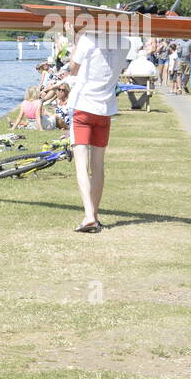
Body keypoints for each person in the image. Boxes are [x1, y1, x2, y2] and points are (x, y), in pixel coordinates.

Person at [66, 20, 126, 234]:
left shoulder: (88, 40)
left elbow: (73, 69)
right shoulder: (125, 43)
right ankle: (95, 215)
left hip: (83, 107)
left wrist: (72, 40)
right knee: (98, 165)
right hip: (105, 109)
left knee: (81, 165)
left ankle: (89, 216)